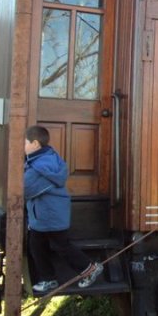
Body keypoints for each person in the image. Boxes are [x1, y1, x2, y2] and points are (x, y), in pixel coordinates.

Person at [24, 125, 103, 294]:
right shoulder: (49, 158)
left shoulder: (39, 166)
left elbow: (24, 188)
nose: (23, 146)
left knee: (61, 246)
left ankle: (90, 268)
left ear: (35, 144)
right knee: (37, 245)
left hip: (48, 214)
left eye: (25, 142)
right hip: (48, 213)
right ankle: (48, 279)